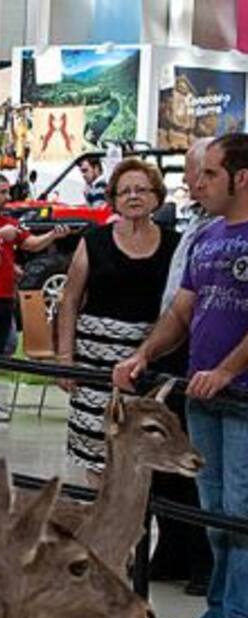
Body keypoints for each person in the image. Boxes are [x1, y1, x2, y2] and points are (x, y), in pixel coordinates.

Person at [113, 134, 248, 618]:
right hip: (201, 392)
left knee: (240, 505)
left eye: (211, 174)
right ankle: (221, 613)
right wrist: (144, 354)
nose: (198, 183)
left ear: (241, 178)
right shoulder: (207, 237)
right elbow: (182, 311)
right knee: (212, 507)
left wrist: (227, 369)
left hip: (239, 396)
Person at [56, 159, 178, 475]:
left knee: (142, 447)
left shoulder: (175, 244)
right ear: (113, 198)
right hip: (94, 362)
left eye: (141, 190)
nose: (133, 196)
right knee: (96, 446)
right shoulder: (93, 240)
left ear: (156, 196)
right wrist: (65, 357)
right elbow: (70, 300)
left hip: (148, 361)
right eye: (125, 191)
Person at [149, 137, 216, 594]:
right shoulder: (196, 221)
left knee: (198, 461)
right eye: (196, 171)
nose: (194, 180)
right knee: (166, 455)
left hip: (204, 349)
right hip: (173, 342)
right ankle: (172, 549)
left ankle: (203, 560)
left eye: (206, 172)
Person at [0, 172, 69, 425]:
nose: (7, 197)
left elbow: (31, 243)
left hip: (6, 295)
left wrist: (52, 235)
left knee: (0, 348)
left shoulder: (10, 222)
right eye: (2, 191)